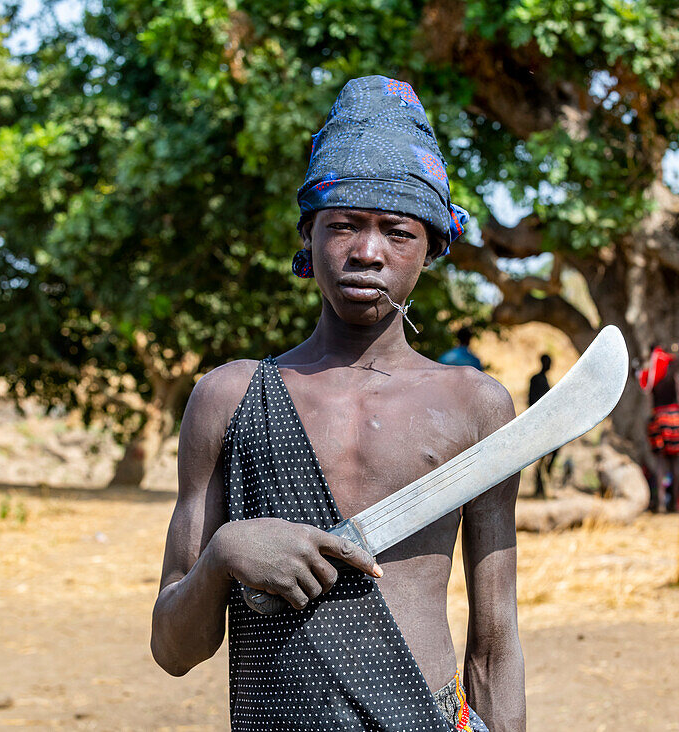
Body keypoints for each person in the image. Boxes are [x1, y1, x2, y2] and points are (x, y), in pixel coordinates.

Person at [150, 76, 524, 732]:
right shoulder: (228, 398)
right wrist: (225, 552)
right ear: (308, 235)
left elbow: (494, 647)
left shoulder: (474, 405)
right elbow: (173, 649)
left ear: (434, 247)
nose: (367, 252)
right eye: (344, 225)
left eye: (397, 232)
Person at [635, 342, 679, 512]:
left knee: (661, 464)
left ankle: (661, 503)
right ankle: (675, 503)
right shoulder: (671, 370)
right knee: (675, 463)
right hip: (674, 419)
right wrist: (678, 348)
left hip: (659, 420)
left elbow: (635, 374)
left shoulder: (649, 375)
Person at [528, 354, 558, 496]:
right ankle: (541, 481)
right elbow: (533, 400)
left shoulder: (543, 380)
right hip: (539, 421)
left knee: (551, 450)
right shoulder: (537, 379)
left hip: (544, 420)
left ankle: (543, 479)